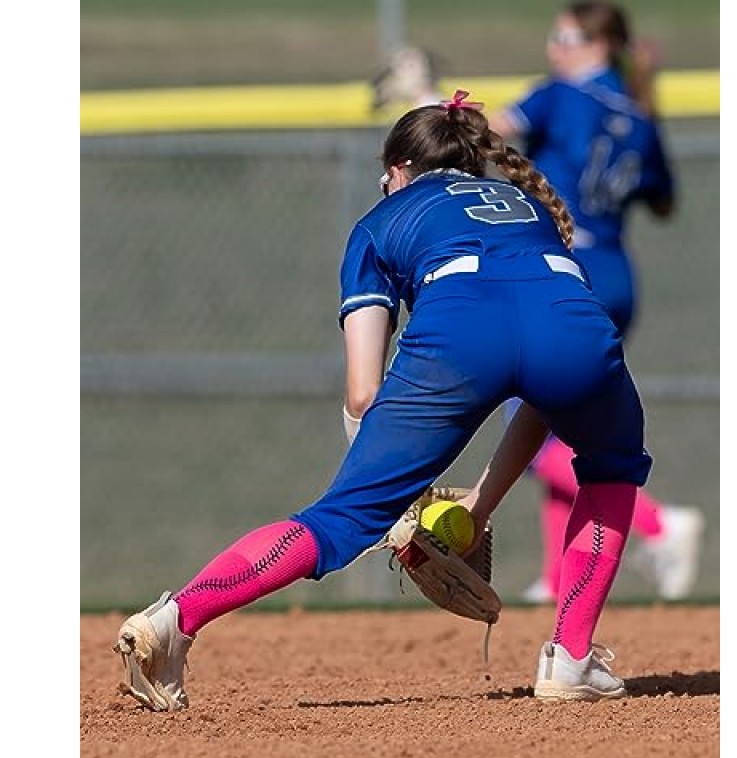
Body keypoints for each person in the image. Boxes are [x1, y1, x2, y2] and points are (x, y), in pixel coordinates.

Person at [115, 89, 654, 712]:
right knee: (612, 468)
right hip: (573, 328)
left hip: (459, 336)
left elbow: (364, 390)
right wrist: (478, 505)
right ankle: (569, 659)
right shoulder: (527, 205)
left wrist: (385, 492)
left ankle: (175, 620)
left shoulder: (378, 223)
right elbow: (544, 396)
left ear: (399, 170)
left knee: (336, 520)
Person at [488, 1, 704, 605]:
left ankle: (660, 524)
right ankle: (561, 577)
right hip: (615, 272)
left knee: (526, 426)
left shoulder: (559, 95)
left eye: (564, 35)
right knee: (563, 421)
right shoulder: (639, 109)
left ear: (595, 44)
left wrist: (426, 99)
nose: (553, 46)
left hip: (566, 270)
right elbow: (662, 202)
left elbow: (487, 131)